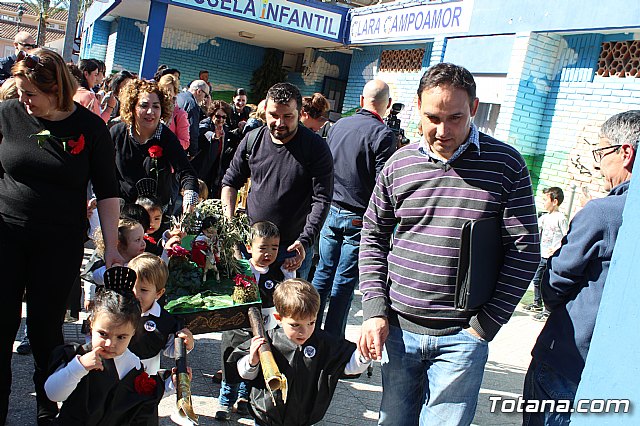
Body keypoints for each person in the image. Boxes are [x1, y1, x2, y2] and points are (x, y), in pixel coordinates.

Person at [358, 63, 540, 426]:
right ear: (417, 108)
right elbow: (374, 235)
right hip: (398, 332)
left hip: (463, 339)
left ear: (474, 109)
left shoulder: (506, 165)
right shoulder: (399, 164)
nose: (442, 131)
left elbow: (525, 251)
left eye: (455, 117)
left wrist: (484, 327)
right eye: (432, 118)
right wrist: (375, 310)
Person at [0, 48, 122, 424]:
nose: (23, 100)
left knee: (44, 329)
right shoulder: (7, 114)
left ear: (57, 91)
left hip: (59, 243)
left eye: (31, 94)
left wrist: (113, 248)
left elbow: (107, 190)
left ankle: (47, 405)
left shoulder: (91, 128)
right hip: (6, 234)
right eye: (19, 92)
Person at [523, 110, 638, 426]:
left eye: (601, 153)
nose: (599, 166)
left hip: (568, 362)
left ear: (625, 153)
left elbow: (556, 280)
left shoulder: (603, 214)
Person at [221, 82, 334, 280]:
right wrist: (229, 226)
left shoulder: (315, 147)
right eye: (273, 115)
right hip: (252, 247)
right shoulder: (252, 140)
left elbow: (322, 199)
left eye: (287, 116)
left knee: (288, 310)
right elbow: (230, 182)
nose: (280, 122)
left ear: (300, 113)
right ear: (265, 111)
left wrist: (305, 240)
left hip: (292, 250)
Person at [312, 79, 395, 339]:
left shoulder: (338, 126)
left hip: (331, 210)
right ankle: (332, 341)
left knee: (323, 273)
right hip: (358, 216)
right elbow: (385, 184)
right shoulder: (383, 134)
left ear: (361, 100)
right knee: (344, 282)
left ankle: (308, 330)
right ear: (388, 105)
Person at [231, 278, 372, 425]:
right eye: (295, 324)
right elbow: (244, 373)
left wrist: (364, 355)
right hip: (267, 416)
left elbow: (348, 367)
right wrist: (252, 361)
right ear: (279, 318)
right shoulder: (269, 341)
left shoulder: (324, 343)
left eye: (311, 323)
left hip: (303, 418)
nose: (303, 332)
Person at [44, 281, 173, 425]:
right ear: (91, 324)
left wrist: (172, 385)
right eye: (103, 334)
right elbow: (53, 394)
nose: (110, 344)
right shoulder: (78, 356)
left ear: (133, 333)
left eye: (121, 337)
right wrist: (78, 367)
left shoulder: (133, 363)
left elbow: (141, 403)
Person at [217, 221, 295, 420]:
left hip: (265, 328)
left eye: (274, 248)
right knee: (231, 362)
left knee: (254, 364)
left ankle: (245, 398)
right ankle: (225, 401)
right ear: (249, 247)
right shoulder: (239, 267)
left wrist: (289, 273)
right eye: (263, 248)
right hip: (238, 327)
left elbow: (288, 294)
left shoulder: (279, 272)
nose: (268, 253)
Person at [111, 78, 199, 212]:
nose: (150, 111)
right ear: (132, 107)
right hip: (122, 210)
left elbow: (187, 172)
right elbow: (103, 169)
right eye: (144, 105)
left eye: (156, 106)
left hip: (156, 214)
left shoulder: (167, 138)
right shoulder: (117, 133)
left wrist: (189, 199)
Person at [128, 253, 194, 374]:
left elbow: (170, 349)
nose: (135, 294)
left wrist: (186, 344)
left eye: (143, 290)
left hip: (147, 373)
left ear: (158, 293)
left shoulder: (164, 320)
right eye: (131, 287)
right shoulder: (119, 311)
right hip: (118, 370)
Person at [523, 187, 568, 321]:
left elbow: (566, 237)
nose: (544, 203)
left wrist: (556, 248)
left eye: (546, 200)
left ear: (555, 201)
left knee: (547, 282)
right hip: (542, 254)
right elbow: (535, 231)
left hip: (552, 256)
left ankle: (547, 310)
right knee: (537, 279)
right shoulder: (544, 217)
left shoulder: (561, 218)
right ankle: (537, 302)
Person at [193, 100, 236, 198]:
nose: (221, 119)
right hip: (201, 168)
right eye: (218, 116)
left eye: (224, 117)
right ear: (212, 115)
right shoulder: (206, 124)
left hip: (214, 170)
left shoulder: (225, 129)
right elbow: (203, 132)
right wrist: (214, 136)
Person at [176, 80, 209, 157]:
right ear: (199, 92)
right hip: (180, 147)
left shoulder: (179, 96)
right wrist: (193, 153)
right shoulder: (192, 104)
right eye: (206, 95)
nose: (204, 98)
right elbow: (193, 131)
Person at [157, 73, 190, 151]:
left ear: (175, 92)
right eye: (162, 90)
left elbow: (185, 143)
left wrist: (167, 140)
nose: (165, 94)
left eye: (169, 90)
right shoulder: (154, 108)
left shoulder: (180, 114)